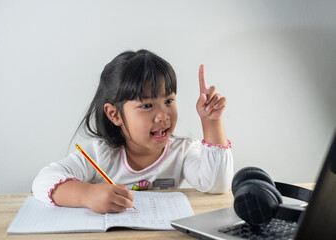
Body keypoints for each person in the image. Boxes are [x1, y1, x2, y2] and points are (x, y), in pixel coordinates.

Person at [32, 49, 233, 214]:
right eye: (147, 106)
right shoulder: (100, 154)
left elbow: (216, 185)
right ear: (114, 114)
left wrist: (211, 122)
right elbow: (43, 181)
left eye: (168, 101)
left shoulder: (183, 151)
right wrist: (89, 195)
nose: (163, 115)